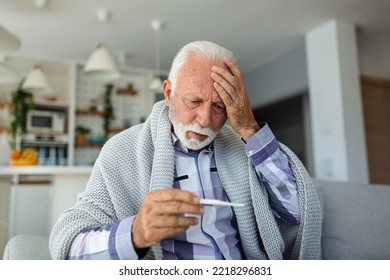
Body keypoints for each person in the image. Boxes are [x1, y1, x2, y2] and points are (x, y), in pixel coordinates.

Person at [49, 40, 321, 260]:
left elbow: (296, 213)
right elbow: (69, 243)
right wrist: (135, 233)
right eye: (194, 101)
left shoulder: (242, 147)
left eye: (219, 107)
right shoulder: (122, 151)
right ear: (168, 94)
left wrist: (249, 127)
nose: (204, 119)